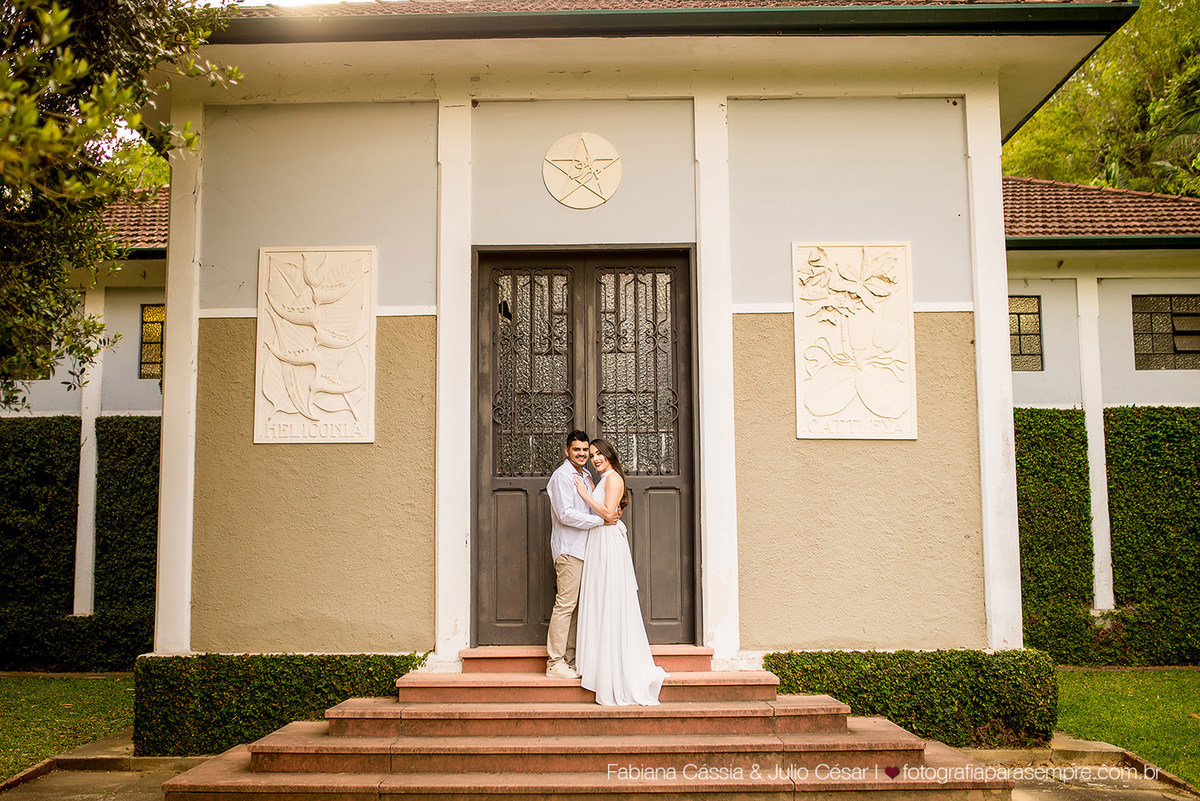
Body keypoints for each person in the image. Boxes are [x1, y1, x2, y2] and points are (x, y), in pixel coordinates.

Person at [572, 438, 668, 705]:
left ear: (609, 454)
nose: (595, 459)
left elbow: (607, 514)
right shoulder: (604, 479)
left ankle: (615, 668)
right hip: (599, 541)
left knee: (611, 598)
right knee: (601, 600)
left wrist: (583, 494)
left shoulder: (613, 479)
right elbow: (609, 513)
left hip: (608, 541)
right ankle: (600, 663)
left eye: (599, 453)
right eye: (592, 455)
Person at [545, 430, 619, 679]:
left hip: (589, 549)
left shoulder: (587, 475)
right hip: (570, 550)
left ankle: (571, 658)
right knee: (565, 605)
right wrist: (600, 521)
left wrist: (612, 511)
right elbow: (565, 514)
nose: (582, 454)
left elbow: (600, 504)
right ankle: (555, 662)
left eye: (585, 450)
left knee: (577, 607)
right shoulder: (561, 477)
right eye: (576, 449)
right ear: (567, 451)